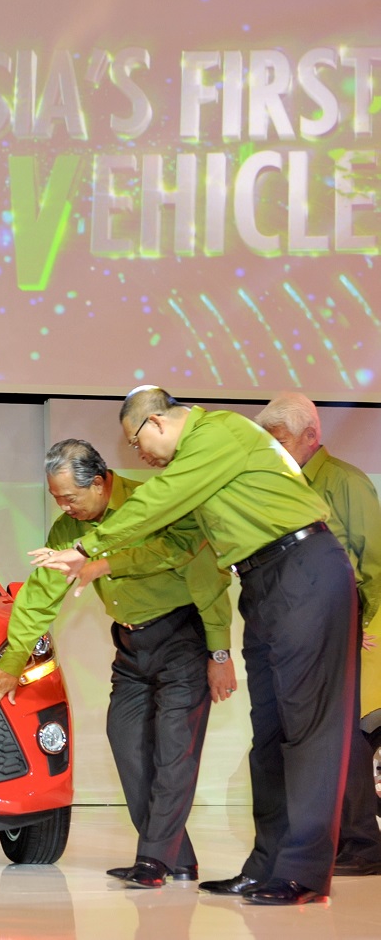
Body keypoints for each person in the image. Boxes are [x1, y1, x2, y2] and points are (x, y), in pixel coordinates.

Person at [33, 387, 358, 906]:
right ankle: (267, 865)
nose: (137, 455)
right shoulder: (193, 464)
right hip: (262, 580)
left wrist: (86, 548)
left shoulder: (216, 434)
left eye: (136, 440)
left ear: (158, 422)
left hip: (305, 569)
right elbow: (178, 542)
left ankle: (304, 872)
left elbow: (156, 506)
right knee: (271, 733)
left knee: (309, 730)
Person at [0, 439, 235, 888]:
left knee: (174, 751)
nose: (64, 508)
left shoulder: (150, 505)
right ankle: (180, 858)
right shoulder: (66, 530)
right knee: (127, 742)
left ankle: (153, 861)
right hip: (131, 647)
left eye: (70, 498)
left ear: (98, 483)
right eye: (56, 499)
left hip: (182, 638)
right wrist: (12, 660)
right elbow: (39, 596)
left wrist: (219, 653)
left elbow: (201, 573)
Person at [255, 391, 381, 876]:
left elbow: (373, 559)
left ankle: (362, 843)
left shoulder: (345, 482)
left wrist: (359, 618)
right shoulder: (274, 483)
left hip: (335, 623)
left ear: (311, 435)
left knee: (339, 733)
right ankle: (317, 837)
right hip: (289, 626)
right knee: (297, 732)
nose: (273, 447)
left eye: (280, 437)